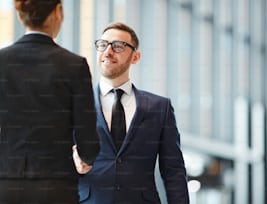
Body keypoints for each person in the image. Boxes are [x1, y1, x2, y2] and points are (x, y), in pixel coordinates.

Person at [76, 22, 190, 204]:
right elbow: (53, 160)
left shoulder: (160, 107)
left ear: (135, 57)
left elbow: (173, 171)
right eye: (103, 44)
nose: (108, 51)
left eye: (118, 46)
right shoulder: (76, 103)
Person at [0, 0, 99, 203]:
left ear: (20, 16)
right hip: (56, 184)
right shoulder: (74, 65)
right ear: (58, 11)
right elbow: (87, 136)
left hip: (6, 181)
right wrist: (86, 158)